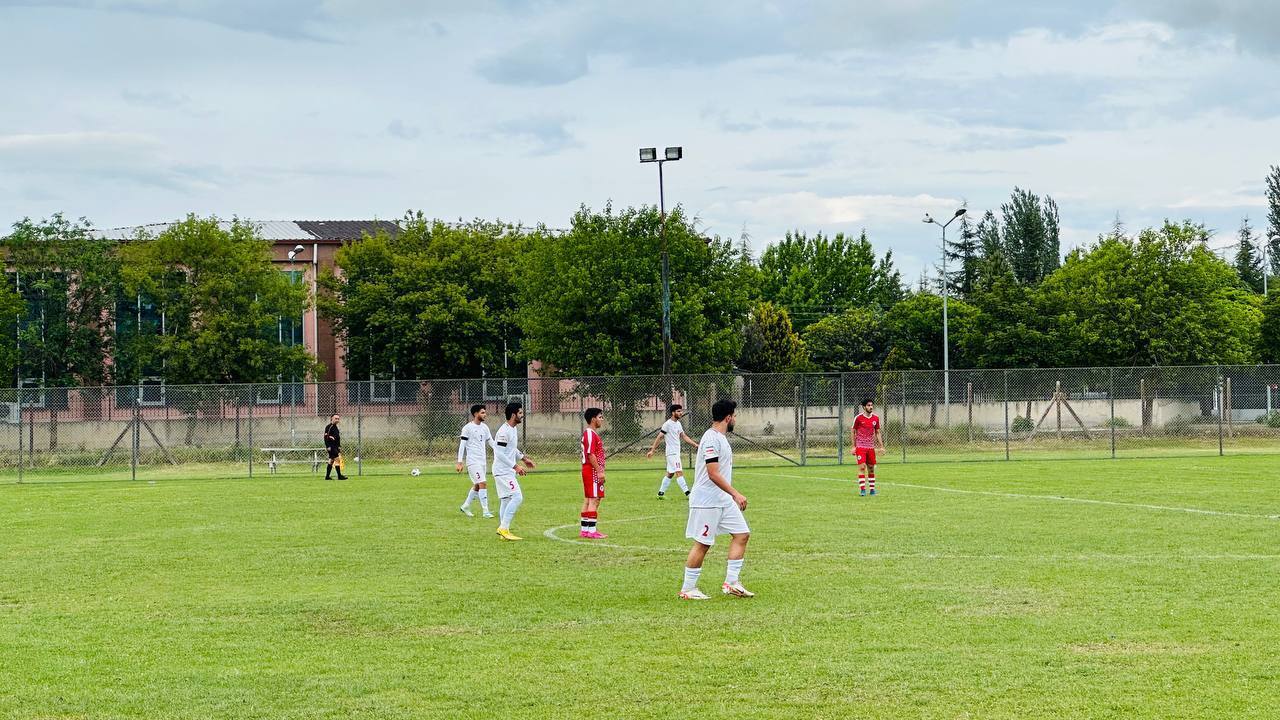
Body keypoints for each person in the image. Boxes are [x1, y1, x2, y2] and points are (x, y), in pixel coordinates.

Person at [679, 399, 753, 600]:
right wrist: (735, 493)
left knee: (742, 534)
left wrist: (729, 496)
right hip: (707, 501)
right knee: (703, 543)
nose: (735, 419)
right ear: (728, 417)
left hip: (722, 500)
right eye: (735, 416)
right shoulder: (711, 438)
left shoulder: (720, 438)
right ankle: (688, 589)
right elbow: (713, 473)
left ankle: (731, 583)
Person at [493, 401, 535, 541]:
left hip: (505, 471)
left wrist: (523, 459)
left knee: (505, 500)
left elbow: (511, 449)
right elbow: (499, 452)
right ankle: (503, 528)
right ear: (513, 415)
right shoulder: (503, 431)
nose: (523, 415)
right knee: (517, 497)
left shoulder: (512, 429)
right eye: (520, 413)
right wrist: (515, 466)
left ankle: (504, 531)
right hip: (503, 471)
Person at [646, 404, 699, 499]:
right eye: (678, 411)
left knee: (670, 474)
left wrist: (695, 445)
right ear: (673, 413)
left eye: (681, 411)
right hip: (672, 453)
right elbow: (659, 437)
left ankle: (660, 494)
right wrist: (652, 450)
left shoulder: (678, 424)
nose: (681, 413)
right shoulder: (667, 424)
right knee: (679, 472)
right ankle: (689, 494)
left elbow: (684, 436)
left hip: (675, 453)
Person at [456, 404, 494, 518]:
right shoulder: (467, 428)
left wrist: (501, 452)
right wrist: (459, 462)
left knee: (477, 485)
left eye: (485, 412)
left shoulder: (485, 427)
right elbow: (462, 445)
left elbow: (491, 442)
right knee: (483, 483)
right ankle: (486, 511)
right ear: (475, 414)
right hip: (472, 461)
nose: (485, 414)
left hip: (482, 461)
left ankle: (466, 506)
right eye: (482, 412)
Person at [580, 407, 607, 539]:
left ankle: (585, 529)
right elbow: (590, 454)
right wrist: (599, 471)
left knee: (588, 499)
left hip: (589, 470)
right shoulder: (590, 434)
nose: (602, 419)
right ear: (593, 419)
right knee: (594, 499)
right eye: (600, 417)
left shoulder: (591, 433)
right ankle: (591, 531)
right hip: (592, 471)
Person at [851, 398, 885, 496]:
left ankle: (872, 490)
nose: (871, 407)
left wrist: (881, 446)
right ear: (864, 407)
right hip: (860, 446)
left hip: (871, 447)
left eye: (871, 405)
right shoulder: (858, 418)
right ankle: (862, 490)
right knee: (862, 467)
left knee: (871, 468)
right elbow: (853, 431)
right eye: (869, 405)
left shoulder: (875, 418)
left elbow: (878, 432)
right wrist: (853, 446)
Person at [323, 414, 348, 480]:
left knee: (331, 460)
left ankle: (327, 477)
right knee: (337, 459)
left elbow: (337, 438)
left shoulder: (335, 427)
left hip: (335, 446)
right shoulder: (329, 427)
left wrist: (339, 446)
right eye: (336, 418)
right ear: (332, 419)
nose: (337, 420)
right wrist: (327, 446)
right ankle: (339, 476)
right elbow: (326, 437)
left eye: (338, 419)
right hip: (331, 447)